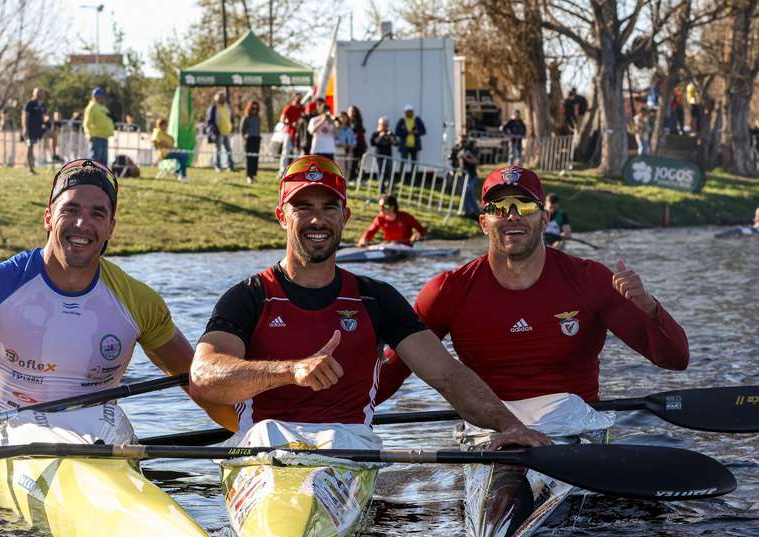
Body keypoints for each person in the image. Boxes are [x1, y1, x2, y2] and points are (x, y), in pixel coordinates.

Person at [187, 154, 548, 450]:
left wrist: (510, 425)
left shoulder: (376, 298)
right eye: (303, 207)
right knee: (265, 434)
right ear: (282, 216)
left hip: (347, 446)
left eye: (330, 208)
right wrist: (290, 371)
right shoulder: (248, 296)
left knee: (344, 442)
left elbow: (448, 376)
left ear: (345, 217)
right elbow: (203, 377)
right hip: (265, 446)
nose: (317, 219)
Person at [0, 159, 236, 433]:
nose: (83, 224)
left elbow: (200, 384)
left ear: (111, 226)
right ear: (49, 217)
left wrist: (256, 433)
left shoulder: (139, 301)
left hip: (101, 437)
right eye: (71, 210)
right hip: (11, 436)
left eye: (98, 213)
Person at [376, 165, 689, 406]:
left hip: (573, 429)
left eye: (524, 206)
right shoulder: (447, 291)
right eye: (499, 208)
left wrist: (649, 307)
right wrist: (335, 413)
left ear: (545, 218)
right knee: (508, 494)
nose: (512, 217)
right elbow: (388, 374)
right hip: (495, 430)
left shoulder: (591, 279)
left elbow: (675, 360)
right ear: (483, 223)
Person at [357, 194, 427, 247]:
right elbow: (370, 232)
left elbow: (422, 231)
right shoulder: (380, 219)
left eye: (384, 206)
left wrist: (417, 237)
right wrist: (363, 240)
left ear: (392, 207)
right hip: (390, 246)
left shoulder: (405, 217)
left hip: (406, 247)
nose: (381, 209)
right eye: (380, 206)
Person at [23, 88, 61, 174]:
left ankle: (54, 155)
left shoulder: (41, 105)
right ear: (33, 94)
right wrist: (24, 128)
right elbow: (24, 116)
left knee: (54, 135)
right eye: (37, 93)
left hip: (40, 129)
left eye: (41, 93)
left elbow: (44, 117)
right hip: (31, 129)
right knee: (30, 147)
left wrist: (48, 119)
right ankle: (30, 169)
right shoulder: (30, 104)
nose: (39, 95)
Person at [84, 86, 114, 166]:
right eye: (101, 96)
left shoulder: (103, 107)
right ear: (96, 96)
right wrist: (88, 134)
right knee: (95, 161)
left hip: (104, 137)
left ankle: (102, 178)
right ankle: (93, 178)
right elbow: (86, 123)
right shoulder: (91, 107)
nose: (103, 98)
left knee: (103, 162)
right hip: (96, 137)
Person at [451, 136, 480, 218]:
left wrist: (466, 157)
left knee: (467, 193)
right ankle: (469, 212)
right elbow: (458, 159)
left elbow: (476, 161)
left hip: (472, 175)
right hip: (464, 175)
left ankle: (477, 212)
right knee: (466, 194)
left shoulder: (471, 150)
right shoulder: (460, 150)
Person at [206, 92, 235, 172]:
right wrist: (213, 131)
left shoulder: (226, 106)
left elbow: (230, 118)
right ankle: (218, 166)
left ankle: (230, 166)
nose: (222, 99)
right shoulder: (213, 108)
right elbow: (210, 121)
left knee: (229, 150)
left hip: (227, 132)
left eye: (222, 97)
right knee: (218, 150)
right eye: (220, 98)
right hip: (218, 132)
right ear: (216, 99)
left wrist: (231, 127)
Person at [278, 93, 303, 176]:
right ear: (294, 98)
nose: (299, 99)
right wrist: (288, 122)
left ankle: (296, 172)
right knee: (286, 152)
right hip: (289, 132)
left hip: (300, 134)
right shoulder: (289, 107)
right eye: (297, 97)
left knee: (298, 154)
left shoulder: (303, 108)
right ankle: (282, 171)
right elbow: (282, 118)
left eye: (300, 97)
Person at [370, 116, 398, 190]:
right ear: (379, 124)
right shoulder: (376, 133)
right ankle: (381, 188)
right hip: (379, 156)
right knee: (380, 173)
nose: (385, 127)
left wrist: (390, 138)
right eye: (383, 125)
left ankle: (390, 188)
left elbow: (396, 143)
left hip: (388, 156)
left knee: (389, 173)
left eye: (386, 125)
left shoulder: (390, 133)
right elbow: (372, 143)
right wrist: (380, 136)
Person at [240, 100, 262, 184]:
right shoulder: (246, 118)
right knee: (249, 158)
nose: (254, 109)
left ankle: (253, 175)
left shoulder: (258, 118)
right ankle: (248, 176)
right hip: (249, 139)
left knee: (255, 158)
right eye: (253, 107)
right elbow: (242, 130)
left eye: (256, 108)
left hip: (257, 139)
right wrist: (244, 139)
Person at [348, 105, 367, 182]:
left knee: (361, 163)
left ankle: (361, 178)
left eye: (353, 111)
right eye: (350, 111)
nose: (352, 113)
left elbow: (361, 132)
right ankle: (352, 178)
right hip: (352, 145)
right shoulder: (348, 122)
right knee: (353, 163)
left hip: (360, 145)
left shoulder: (359, 122)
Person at [334, 111, 355, 177]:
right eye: (341, 117)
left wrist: (352, 145)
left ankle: (346, 184)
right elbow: (334, 140)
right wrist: (341, 144)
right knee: (340, 169)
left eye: (345, 117)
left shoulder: (349, 129)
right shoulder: (336, 129)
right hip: (339, 151)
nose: (343, 119)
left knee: (348, 169)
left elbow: (353, 140)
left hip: (349, 152)